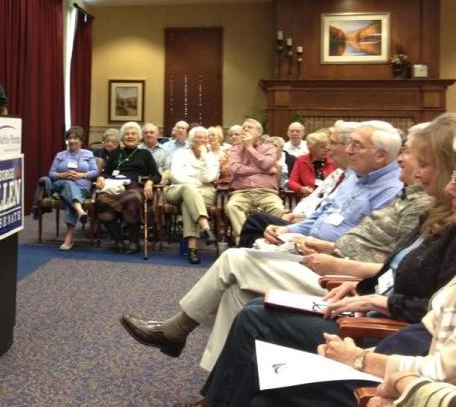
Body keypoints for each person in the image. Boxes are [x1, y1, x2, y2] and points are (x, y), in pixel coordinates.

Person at [192, 113, 456, 407]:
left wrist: (366, 305)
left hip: (382, 329)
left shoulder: (428, 212)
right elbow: (393, 272)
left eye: (421, 161)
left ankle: (186, 342)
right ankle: (212, 395)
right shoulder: (430, 212)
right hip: (357, 291)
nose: (406, 163)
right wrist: (362, 286)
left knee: (245, 288)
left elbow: (429, 323)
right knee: (244, 297)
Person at [119, 120, 404, 372]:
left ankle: (176, 331)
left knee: (235, 259)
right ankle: (219, 385)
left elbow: (366, 248)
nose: (348, 149)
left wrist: (324, 248)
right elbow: (318, 216)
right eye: (349, 143)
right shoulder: (356, 177)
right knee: (236, 291)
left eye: (356, 145)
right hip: (306, 246)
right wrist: (289, 229)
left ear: (380, 155)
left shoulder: (390, 190)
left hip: (333, 271)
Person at [95, 122, 161, 254]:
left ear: (139, 137)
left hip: (135, 186)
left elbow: (156, 174)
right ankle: (118, 240)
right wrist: (101, 177)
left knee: (132, 199)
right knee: (101, 201)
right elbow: (105, 171)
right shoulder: (115, 153)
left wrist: (149, 182)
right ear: (122, 137)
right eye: (127, 134)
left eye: (133, 134)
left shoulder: (144, 154)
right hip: (114, 186)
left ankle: (134, 242)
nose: (130, 136)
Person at [164, 126, 219, 264]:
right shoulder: (180, 154)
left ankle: (192, 249)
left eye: (204, 138)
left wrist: (204, 157)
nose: (201, 140)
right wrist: (195, 184)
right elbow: (176, 176)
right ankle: (206, 228)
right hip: (177, 189)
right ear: (191, 140)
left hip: (205, 192)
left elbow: (209, 178)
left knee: (187, 203)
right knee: (189, 190)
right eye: (198, 137)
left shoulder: (211, 157)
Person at [224, 118, 285, 242]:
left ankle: (265, 240)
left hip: (266, 192)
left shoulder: (270, 148)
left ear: (259, 133)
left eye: (249, 127)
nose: (245, 129)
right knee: (232, 206)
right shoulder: (235, 149)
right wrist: (262, 171)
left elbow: (266, 163)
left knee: (278, 208)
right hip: (241, 192)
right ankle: (245, 241)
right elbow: (236, 170)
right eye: (244, 127)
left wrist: (249, 147)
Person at [47, 126, 99, 251]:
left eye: (75, 138)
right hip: (61, 185)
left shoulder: (88, 154)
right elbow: (51, 174)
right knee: (68, 184)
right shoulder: (60, 155)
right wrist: (62, 175)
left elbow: (95, 172)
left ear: (81, 140)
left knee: (71, 196)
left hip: (82, 188)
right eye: (69, 138)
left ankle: (69, 237)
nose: (72, 141)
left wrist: (82, 175)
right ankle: (80, 211)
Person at [288, 129, 337, 197]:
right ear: (311, 148)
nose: (326, 149)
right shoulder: (301, 161)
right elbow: (292, 182)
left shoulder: (334, 161)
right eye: (322, 147)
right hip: (309, 198)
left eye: (327, 146)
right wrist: (301, 189)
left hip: (330, 197)